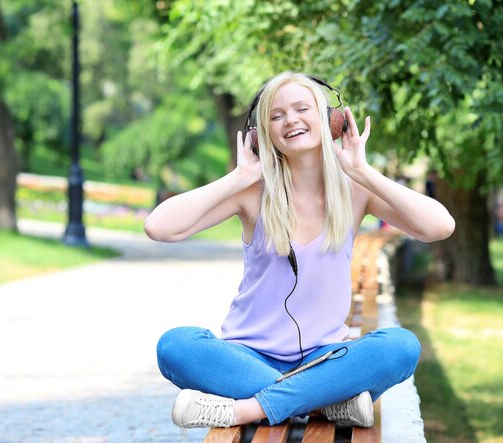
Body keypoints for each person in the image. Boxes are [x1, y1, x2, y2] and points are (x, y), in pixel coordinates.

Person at [144, 72, 455, 429]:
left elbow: (439, 226)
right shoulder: (252, 192)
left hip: (325, 357)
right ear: (261, 137)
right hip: (247, 357)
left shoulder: (355, 190)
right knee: (175, 347)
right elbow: (159, 227)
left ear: (331, 121)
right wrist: (238, 177)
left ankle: (250, 409)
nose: (290, 119)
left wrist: (363, 171)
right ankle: (324, 403)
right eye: (276, 116)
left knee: (401, 347)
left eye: (301, 108)